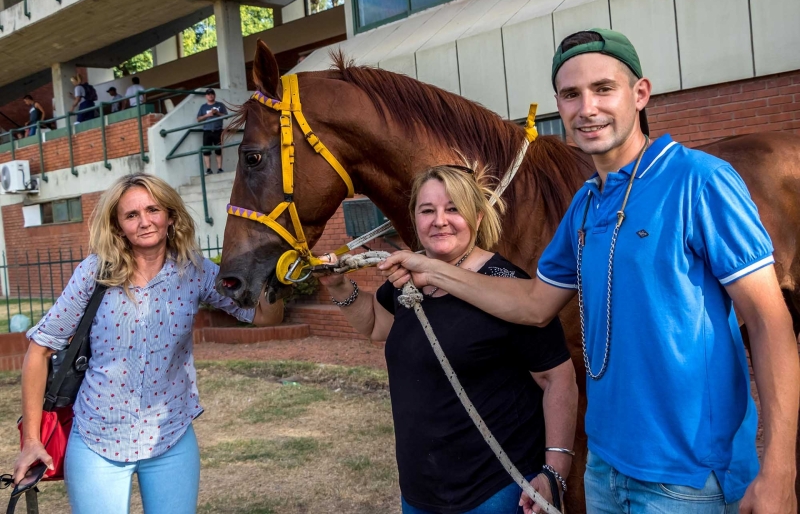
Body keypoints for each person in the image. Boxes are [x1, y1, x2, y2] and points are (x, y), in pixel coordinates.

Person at [381, 29, 800, 514]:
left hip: (689, 479)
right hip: (604, 470)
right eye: (571, 94)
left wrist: (780, 471)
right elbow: (534, 303)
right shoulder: (585, 204)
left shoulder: (701, 181)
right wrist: (430, 270)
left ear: (640, 94)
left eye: (604, 89)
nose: (587, 108)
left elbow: (771, 323)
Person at [12, 173, 283, 514]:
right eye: (131, 215)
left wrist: (278, 273)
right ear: (118, 226)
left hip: (171, 439)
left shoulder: (196, 272)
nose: (144, 222)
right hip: (98, 441)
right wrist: (32, 442)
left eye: (153, 209)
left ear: (170, 216)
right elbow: (39, 350)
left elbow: (264, 316)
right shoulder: (94, 273)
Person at [321, 165, 578, 514]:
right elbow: (376, 326)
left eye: (453, 208)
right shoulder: (408, 275)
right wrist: (339, 287)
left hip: (494, 491)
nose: (440, 220)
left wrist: (555, 471)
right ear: (414, 219)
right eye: (427, 210)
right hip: (419, 491)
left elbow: (558, 378)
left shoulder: (506, 286)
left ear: (476, 216)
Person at [196, 88, 228, 175]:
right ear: (206, 96)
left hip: (218, 130)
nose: (210, 95)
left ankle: (220, 168)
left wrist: (217, 113)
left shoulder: (220, 105)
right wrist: (208, 115)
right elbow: (198, 119)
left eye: (212, 94)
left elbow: (226, 116)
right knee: (206, 151)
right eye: (208, 94)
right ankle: (208, 169)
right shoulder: (203, 107)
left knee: (218, 150)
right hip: (207, 131)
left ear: (214, 95)